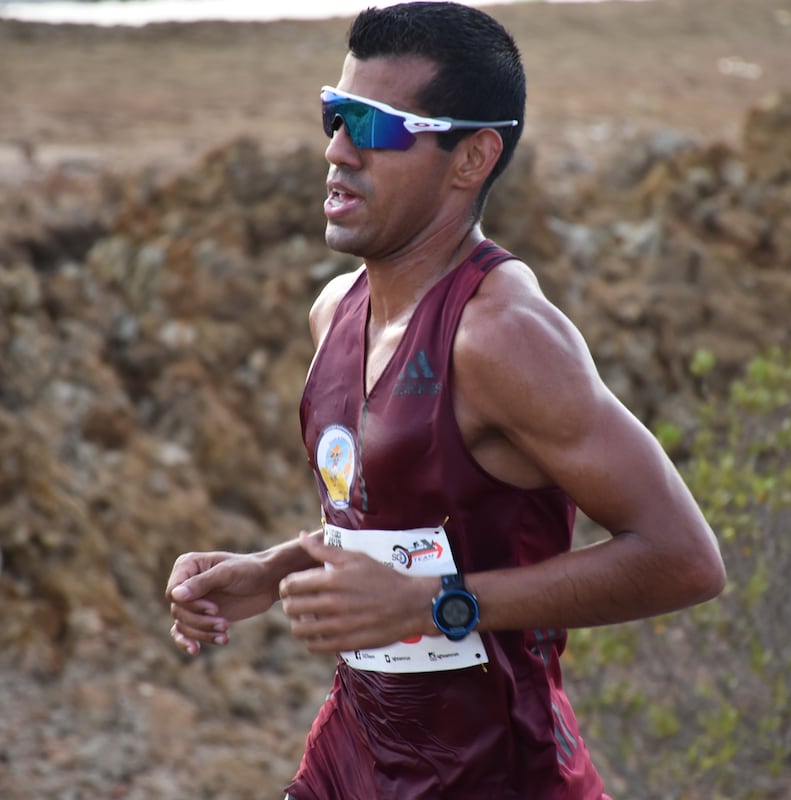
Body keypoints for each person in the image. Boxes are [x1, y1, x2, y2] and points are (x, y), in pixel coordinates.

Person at [165, 3, 726, 798]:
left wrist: (437, 605)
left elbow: (686, 560)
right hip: (354, 753)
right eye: (334, 113)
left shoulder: (504, 338)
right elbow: (405, 515)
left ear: (472, 157)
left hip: (501, 774)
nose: (336, 149)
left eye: (375, 125)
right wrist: (272, 569)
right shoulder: (334, 312)